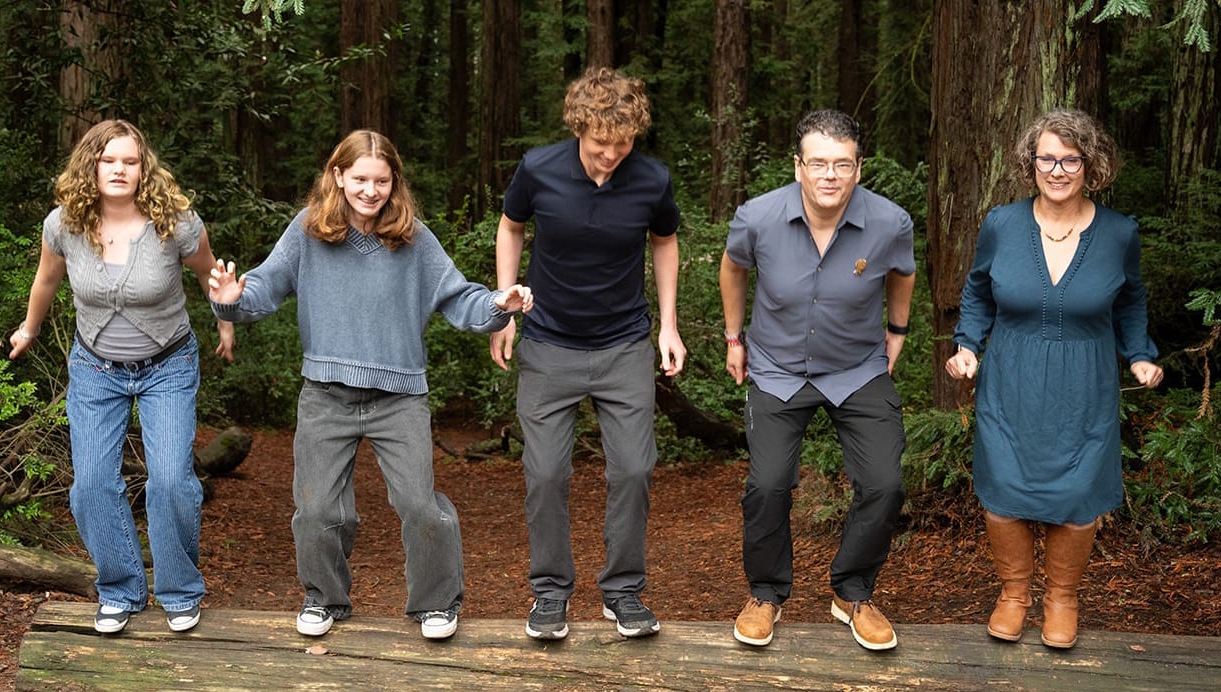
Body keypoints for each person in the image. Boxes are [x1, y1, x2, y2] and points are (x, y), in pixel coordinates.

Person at [209, 132, 530, 642]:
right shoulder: (308, 233)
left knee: (419, 504)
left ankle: (436, 603)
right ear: (337, 176)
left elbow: (458, 298)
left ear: (394, 182)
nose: (370, 190)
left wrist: (498, 305)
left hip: (399, 397)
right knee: (317, 509)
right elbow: (263, 289)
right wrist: (230, 300)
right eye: (359, 179)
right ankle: (324, 598)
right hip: (326, 395)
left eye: (381, 181)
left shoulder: (414, 239)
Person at [944, 108, 1162, 649]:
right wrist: (968, 344)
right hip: (1011, 376)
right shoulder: (1001, 224)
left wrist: (1138, 353)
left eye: (1070, 159)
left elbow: (1131, 300)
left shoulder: (1119, 233)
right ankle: (1014, 594)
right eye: (1047, 158)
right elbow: (977, 291)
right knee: (1004, 489)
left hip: (1085, 383)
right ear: (1030, 162)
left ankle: (1062, 596)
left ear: (1091, 165)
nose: (1058, 169)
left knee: (1079, 491)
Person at [11, 118, 227, 636]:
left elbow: (208, 272)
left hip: (168, 366)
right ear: (91, 165)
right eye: (109, 160)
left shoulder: (176, 223)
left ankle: (178, 591)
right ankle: (120, 590)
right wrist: (29, 328)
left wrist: (226, 321)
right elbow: (45, 281)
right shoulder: (63, 225)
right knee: (89, 486)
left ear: (143, 168)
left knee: (171, 481)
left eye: (129, 161)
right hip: (95, 369)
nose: (119, 169)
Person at [491, 66, 683, 642]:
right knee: (545, 472)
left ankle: (623, 592)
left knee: (634, 468)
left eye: (622, 145)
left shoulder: (651, 179)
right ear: (579, 129)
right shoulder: (540, 168)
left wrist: (667, 326)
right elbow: (511, 225)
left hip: (624, 344)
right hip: (549, 343)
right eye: (601, 146)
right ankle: (550, 594)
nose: (611, 157)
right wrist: (505, 307)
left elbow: (666, 241)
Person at [720, 109, 915, 653]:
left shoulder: (890, 222)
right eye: (819, 163)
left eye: (843, 164)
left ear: (859, 167)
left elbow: (903, 272)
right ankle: (765, 594)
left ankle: (853, 592)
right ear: (799, 166)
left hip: (857, 369)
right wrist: (734, 338)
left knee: (884, 485)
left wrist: (896, 330)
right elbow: (733, 268)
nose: (830, 175)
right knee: (768, 485)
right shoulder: (757, 217)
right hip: (777, 368)